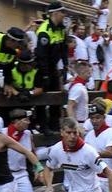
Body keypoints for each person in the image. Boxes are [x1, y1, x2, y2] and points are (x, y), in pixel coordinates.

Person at [44, 117, 112, 192]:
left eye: (75, 133)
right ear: (62, 132)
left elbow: (110, 174)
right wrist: (49, 186)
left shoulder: (89, 152)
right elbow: (48, 168)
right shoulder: (56, 150)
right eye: (68, 133)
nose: (72, 136)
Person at [35, 1, 68, 133]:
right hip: (42, 67)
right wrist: (45, 74)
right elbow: (41, 56)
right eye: (62, 13)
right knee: (42, 98)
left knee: (56, 97)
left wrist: (65, 66)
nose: (64, 15)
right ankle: (43, 126)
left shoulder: (61, 29)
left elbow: (63, 49)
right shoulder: (44, 31)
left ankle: (54, 125)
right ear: (54, 13)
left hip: (54, 66)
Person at [3, 109, 38, 192]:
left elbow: (32, 151)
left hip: (22, 173)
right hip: (7, 175)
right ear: (17, 121)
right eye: (26, 120)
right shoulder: (3, 133)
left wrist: (36, 167)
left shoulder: (27, 134)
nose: (29, 122)